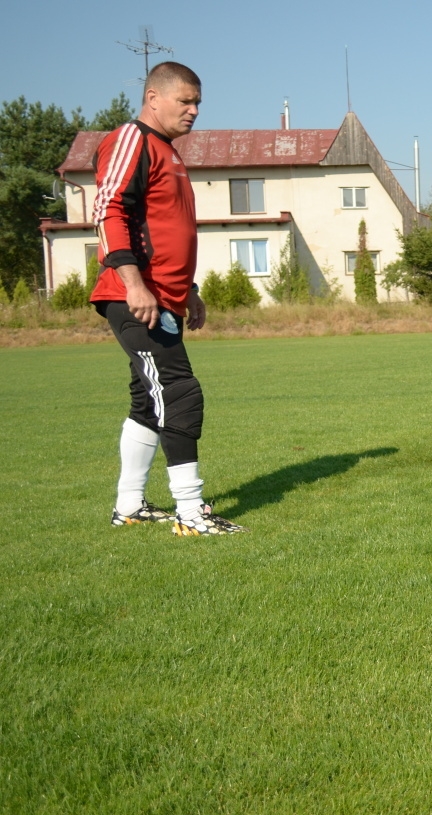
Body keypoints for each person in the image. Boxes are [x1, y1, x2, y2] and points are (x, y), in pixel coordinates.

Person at [89, 62, 246, 535]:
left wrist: (190, 291)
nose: (194, 111)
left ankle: (130, 507)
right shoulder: (130, 140)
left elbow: (166, 231)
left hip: (165, 299)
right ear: (153, 97)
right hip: (132, 295)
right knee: (179, 393)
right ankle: (191, 514)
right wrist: (135, 284)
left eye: (198, 102)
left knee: (147, 401)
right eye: (186, 101)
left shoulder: (169, 152)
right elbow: (107, 209)